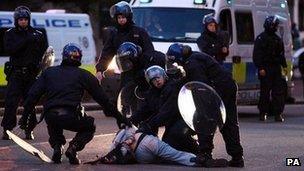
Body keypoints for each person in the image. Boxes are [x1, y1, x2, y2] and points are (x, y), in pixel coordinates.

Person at [18, 43, 131, 164]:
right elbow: (104, 101)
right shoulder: (84, 75)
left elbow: (32, 97)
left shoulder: (49, 73)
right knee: (89, 126)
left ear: (63, 56)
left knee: (53, 117)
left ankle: (57, 147)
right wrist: (121, 118)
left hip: (51, 115)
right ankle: (74, 147)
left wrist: (25, 118)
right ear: (79, 58)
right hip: (70, 115)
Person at [166, 43, 244, 167]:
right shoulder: (193, 59)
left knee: (203, 119)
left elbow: (201, 87)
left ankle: (205, 153)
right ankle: (237, 157)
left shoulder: (193, 64)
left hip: (222, 89)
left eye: (175, 62)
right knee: (228, 122)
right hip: (225, 86)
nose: (175, 65)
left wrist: (204, 109)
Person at [95, 1, 155, 116]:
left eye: (123, 17)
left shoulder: (139, 32)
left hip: (141, 71)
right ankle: (126, 118)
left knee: (144, 97)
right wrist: (100, 69)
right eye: (119, 17)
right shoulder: (114, 34)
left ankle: (146, 116)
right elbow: (107, 52)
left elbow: (149, 51)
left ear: (129, 17)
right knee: (125, 96)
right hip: (125, 71)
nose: (121, 20)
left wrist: (146, 68)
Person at [130, 65, 200, 155]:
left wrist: (149, 124)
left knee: (177, 133)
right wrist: (130, 120)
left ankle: (199, 152)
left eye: (158, 77)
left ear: (163, 76)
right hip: (173, 121)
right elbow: (144, 109)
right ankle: (187, 153)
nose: (157, 81)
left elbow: (166, 112)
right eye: (153, 80)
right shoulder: (152, 93)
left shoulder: (173, 87)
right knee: (168, 143)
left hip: (188, 118)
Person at [1, 6, 47, 140]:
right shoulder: (10, 33)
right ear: (16, 20)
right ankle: (7, 130)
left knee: (30, 103)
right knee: (11, 103)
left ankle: (29, 129)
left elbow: (44, 54)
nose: (23, 22)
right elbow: (10, 50)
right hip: (16, 74)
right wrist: (26, 40)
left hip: (32, 75)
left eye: (25, 19)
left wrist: (42, 68)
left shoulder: (38, 34)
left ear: (28, 20)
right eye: (20, 19)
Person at [86, 127, 228, 167]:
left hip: (142, 158)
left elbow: (110, 156)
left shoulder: (115, 146)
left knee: (168, 160)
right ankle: (198, 160)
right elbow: (132, 131)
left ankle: (195, 160)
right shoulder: (124, 133)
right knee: (176, 155)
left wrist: (100, 159)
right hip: (147, 142)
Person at [253, 16, 287, 122]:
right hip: (266, 68)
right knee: (265, 93)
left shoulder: (277, 40)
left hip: (276, 68)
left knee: (278, 93)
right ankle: (263, 113)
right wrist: (261, 68)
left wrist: (284, 67)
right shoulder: (261, 38)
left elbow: (281, 55)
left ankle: (278, 113)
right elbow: (257, 55)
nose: (275, 28)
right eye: (275, 26)